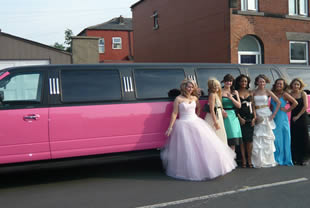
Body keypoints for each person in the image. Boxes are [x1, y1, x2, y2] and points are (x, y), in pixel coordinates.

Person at [161, 78, 237, 181]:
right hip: (183, 124)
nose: (190, 88)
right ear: (184, 87)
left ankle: (210, 167)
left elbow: (199, 108)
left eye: (192, 87)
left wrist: (196, 116)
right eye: (188, 86)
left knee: (205, 146)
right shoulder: (178, 99)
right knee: (186, 149)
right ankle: (189, 170)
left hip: (195, 122)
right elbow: (174, 113)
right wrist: (170, 127)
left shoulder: (194, 98)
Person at [252, 74, 280, 168]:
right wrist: (255, 116)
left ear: (265, 82)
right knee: (257, 137)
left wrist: (273, 114)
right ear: (257, 82)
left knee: (267, 138)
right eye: (260, 81)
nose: (261, 83)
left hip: (267, 114)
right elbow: (252, 105)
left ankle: (268, 160)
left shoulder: (268, 91)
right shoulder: (254, 92)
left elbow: (278, 102)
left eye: (263, 81)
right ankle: (259, 160)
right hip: (258, 114)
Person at [271, 78, 297, 166]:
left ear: (284, 86)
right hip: (274, 117)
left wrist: (287, 110)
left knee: (281, 138)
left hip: (282, 118)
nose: (279, 85)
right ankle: (276, 158)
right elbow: (271, 105)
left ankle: (282, 159)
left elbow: (295, 102)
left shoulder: (285, 94)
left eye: (281, 84)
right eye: (277, 84)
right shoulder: (273, 94)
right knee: (275, 138)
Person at [235, 74, 256, 168]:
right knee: (242, 140)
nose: (244, 83)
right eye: (242, 81)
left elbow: (253, 107)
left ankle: (249, 159)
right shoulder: (235, 92)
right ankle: (243, 159)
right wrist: (239, 118)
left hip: (249, 118)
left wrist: (254, 118)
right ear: (239, 82)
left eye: (245, 81)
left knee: (249, 140)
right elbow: (234, 107)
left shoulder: (251, 93)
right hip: (240, 118)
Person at [289, 78, 310, 166]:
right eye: (294, 84)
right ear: (292, 85)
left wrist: (298, 116)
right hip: (293, 117)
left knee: (304, 137)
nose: (296, 86)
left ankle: (304, 158)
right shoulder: (290, 94)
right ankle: (295, 158)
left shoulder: (303, 93)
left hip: (302, 117)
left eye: (298, 84)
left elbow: (305, 106)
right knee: (294, 137)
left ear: (300, 85)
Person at [221, 74, 242, 152]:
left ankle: (232, 160)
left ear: (232, 82)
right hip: (223, 115)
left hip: (233, 116)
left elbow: (239, 105)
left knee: (233, 139)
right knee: (224, 138)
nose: (228, 83)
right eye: (226, 81)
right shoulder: (220, 91)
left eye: (230, 81)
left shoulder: (235, 92)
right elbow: (218, 103)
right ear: (224, 81)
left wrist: (231, 98)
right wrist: (222, 110)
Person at [204, 78, 228, 145]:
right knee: (216, 136)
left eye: (218, 85)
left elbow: (218, 106)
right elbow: (211, 110)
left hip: (218, 117)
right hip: (214, 119)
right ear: (211, 87)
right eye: (215, 86)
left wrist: (222, 111)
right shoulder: (212, 95)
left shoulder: (216, 94)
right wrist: (215, 122)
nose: (217, 87)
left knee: (219, 135)